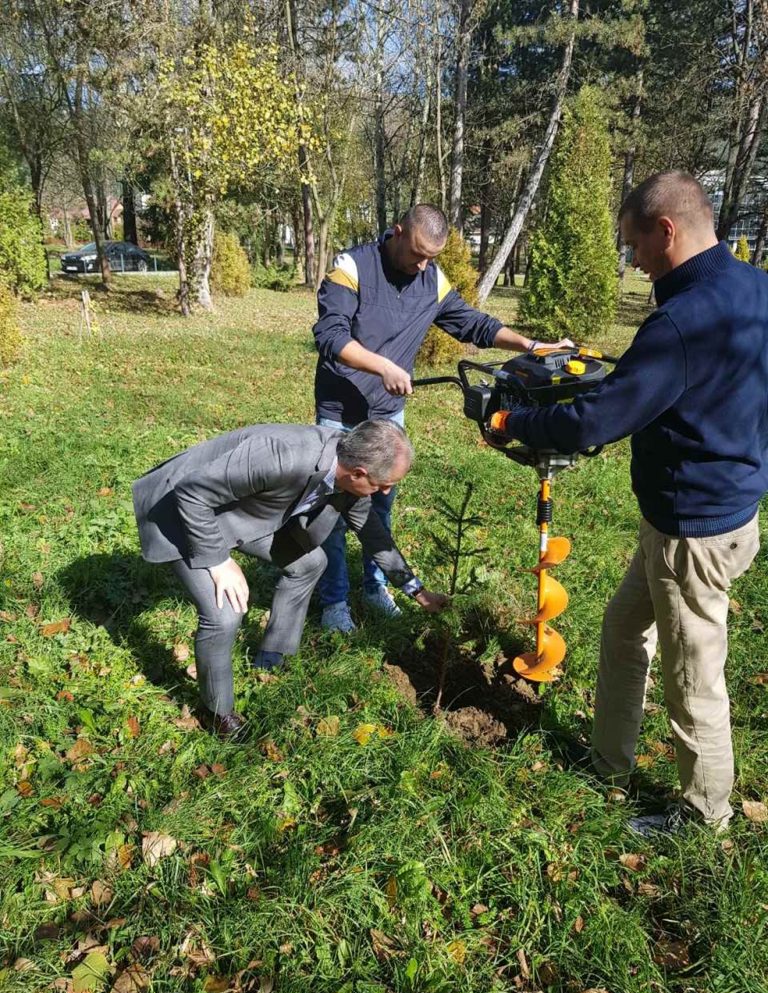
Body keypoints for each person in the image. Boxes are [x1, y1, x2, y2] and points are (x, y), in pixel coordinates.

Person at [495, 170, 768, 834]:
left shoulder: (682, 320)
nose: (635, 261)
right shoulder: (754, 288)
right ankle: (607, 762)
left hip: (691, 531)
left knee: (694, 680)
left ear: (666, 231)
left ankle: (704, 817)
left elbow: (598, 420)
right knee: (622, 629)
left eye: (635, 245)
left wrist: (513, 425)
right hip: (719, 512)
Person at [313, 203, 572, 634]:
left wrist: (530, 345)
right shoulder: (352, 267)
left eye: (431, 257)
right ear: (396, 232)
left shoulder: (430, 279)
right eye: (416, 253)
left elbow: (472, 324)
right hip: (340, 414)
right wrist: (382, 366)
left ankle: (377, 587)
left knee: (380, 504)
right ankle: (334, 602)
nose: (422, 264)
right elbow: (330, 335)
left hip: (388, 415)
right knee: (334, 513)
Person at [132, 420, 448, 737]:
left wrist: (417, 592)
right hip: (180, 513)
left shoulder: (346, 469)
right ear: (358, 473)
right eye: (383, 485)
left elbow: (374, 535)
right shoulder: (284, 456)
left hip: (239, 513)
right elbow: (191, 493)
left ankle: (273, 658)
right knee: (225, 613)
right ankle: (219, 714)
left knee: (310, 563)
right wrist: (219, 561)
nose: (386, 491)